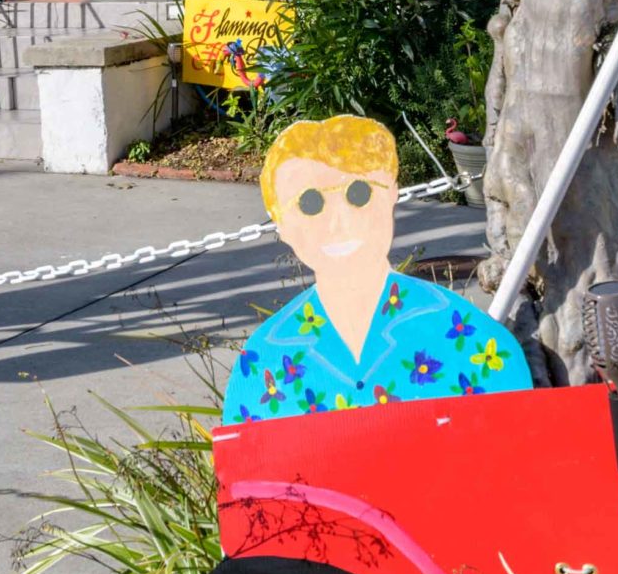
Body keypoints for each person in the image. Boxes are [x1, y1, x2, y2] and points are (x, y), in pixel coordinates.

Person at [223, 115, 532, 423]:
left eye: (359, 193)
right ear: (282, 225)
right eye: (310, 203)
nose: (339, 222)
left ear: (391, 194)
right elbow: (250, 467)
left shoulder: (477, 344)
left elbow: (515, 450)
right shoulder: (263, 361)